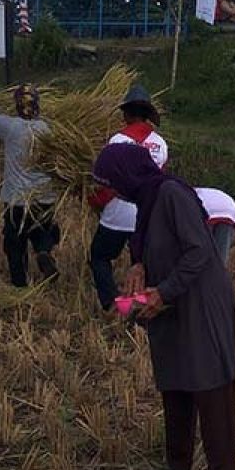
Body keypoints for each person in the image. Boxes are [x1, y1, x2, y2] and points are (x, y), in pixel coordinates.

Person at [91, 143, 235, 470]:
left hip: (201, 305)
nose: (115, 192)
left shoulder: (171, 194)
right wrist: (139, 267)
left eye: (114, 184)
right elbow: (154, 248)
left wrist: (162, 292)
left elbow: (199, 253)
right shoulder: (147, 203)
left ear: (128, 174)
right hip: (173, 306)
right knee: (174, 388)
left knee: (211, 395)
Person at [87, 85, 167, 312]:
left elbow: (111, 182)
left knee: (99, 256)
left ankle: (112, 304)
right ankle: (137, 307)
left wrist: (95, 201)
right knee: (140, 265)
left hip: (118, 212)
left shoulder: (118, 140)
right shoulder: (161, 144)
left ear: (129, 114)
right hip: (146, 216)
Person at [0, 85, 60, 287]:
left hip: (17, 199)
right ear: (37, 105)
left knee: (15, 242)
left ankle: (19, 285)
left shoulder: (10, 127)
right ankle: (43, 253)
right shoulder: (47, 130)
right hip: (44, 197)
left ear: (18, 105)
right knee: (41, 231)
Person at [194, 187, 235, 266]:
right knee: (220, 259)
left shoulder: (177, 196)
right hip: (230, 211)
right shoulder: (186, 191)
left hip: (212, 212)